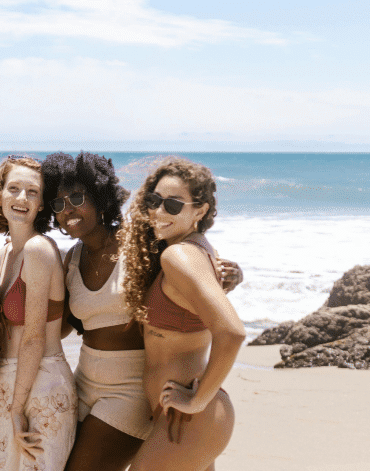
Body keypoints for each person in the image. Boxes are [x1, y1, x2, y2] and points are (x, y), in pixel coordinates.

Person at [41, 152, 243, 471]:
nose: (68, 210)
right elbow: (62, 325)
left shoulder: (143, 245)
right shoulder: (72, 259)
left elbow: (193, 262)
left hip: (132, 393)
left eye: (77, 198)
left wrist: (231, 274)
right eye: (58, 204)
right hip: (85, 383)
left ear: (100, 197)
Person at [117, 157, 246, 471]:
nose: (159, 212)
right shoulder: (198, 251)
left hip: (190, 416)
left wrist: (197, 401)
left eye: (173, 205)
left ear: (199, 211)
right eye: (154, 201)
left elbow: (232, 333)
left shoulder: (178, 255)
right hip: (186, 415)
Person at [0, 156, 77, 470]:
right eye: (14, 188)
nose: (22, 198)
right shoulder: (4, 251)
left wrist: (17, 409)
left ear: (42, 203)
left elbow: (33, 337)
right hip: (10, 383)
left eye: (32, 192)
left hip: (42, 384)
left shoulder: (38, 249)